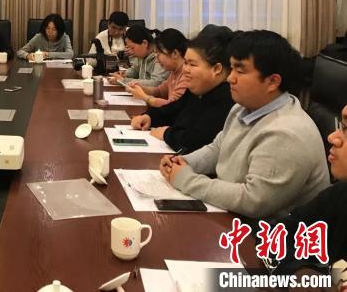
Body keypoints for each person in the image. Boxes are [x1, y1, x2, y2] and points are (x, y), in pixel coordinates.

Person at [160, 30, 329, 218]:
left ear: (272, 81)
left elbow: (253, 201)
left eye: (240, 71)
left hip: (271, 231)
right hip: (232, 216)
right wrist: (185, 162)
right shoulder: (242, 108)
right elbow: (218, 148)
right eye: (231, 68)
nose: (230, 78)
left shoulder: (287, 133)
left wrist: (186, 179)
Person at [268, 104, 347, 284]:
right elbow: (277, 234)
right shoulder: (340, 194)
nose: (332, 137)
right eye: (341, 126)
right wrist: (300, 270)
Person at [131, 30, 235, 153]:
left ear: (217, 69)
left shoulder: (227, 99)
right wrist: (149, 117)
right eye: (185, 62)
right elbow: (174, 109)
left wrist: (166, 134)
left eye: (192, 64)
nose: (185, 69)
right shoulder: (197, 90)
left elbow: (198, 140)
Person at [127, 28, 188, 108]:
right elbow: (160, 91)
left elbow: (172, 106)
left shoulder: (187, 74)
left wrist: (145, 97)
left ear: (175, 53)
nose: (156, 59)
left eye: (159, 54)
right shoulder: (174, 72)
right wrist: (142, 88)